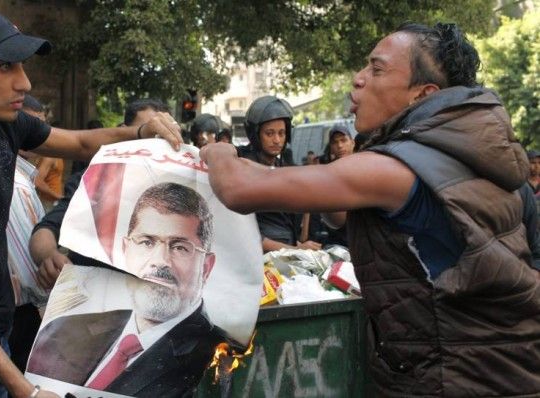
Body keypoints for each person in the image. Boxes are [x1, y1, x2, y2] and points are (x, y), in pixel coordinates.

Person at [201, 22, 540, 396]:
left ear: (422, 94)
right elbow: (343, 215)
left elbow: (237, 188)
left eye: (377, 70)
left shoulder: (398, 167)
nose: (358, 79)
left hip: (454, 379)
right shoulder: (468, 157)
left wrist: (217, 151)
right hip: (501, 368)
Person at [0, 7, 181, 398]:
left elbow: (78, 142)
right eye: (5, 67)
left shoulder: (6, 124)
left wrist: (141, 130)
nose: (23, 82)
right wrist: (26, 389)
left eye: (21, 66)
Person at [27, 182, 227, 397]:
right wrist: (49, 255)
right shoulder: (65, 329)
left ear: (206, 267)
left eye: (179, 247)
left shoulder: (216, 357)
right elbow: (48, 228)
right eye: (146, 242)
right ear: (126, 249)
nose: (160, 261)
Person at [30, 98, 172, 288]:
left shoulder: (179, 191)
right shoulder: (92, 182)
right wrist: (49, 258)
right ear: (126, 131)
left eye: (163, 137)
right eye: (147, 133)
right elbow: (45, 231)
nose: (153, 146)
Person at [236, 95, 322, 252]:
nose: (277, 140)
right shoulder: (242, 167)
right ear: (255, 135)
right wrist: (296, 250)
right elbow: (246, 234)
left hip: (285, 253)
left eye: (282, 133)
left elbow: (299, 233)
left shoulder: (284, 167)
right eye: (269, 133)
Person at [6, 94, 49, 375]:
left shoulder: (20, 176)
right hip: (18, 312)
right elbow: (27, 267)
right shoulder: (16, 184)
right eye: (35, 128)